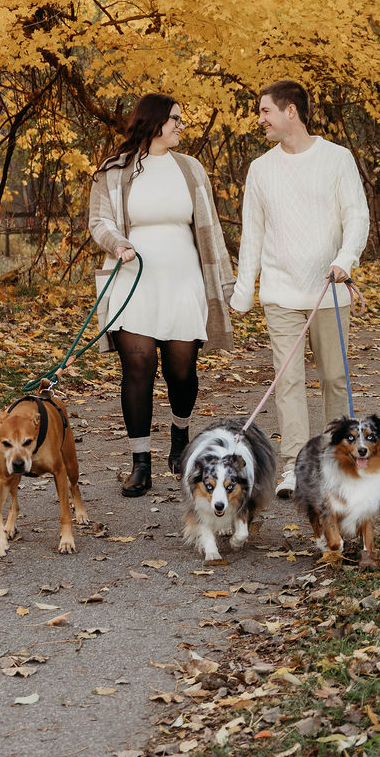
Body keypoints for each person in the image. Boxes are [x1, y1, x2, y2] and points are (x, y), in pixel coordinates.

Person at [89, 94, 235, 497]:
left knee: (181, 369)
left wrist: (224, 281)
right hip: (134, 279)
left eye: (181, 120)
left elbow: (210, 229)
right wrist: (118, 242)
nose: (180, 126)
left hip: (183, 278)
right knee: (137, 364)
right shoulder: (114, 170)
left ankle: (180, 432)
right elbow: (98, 220)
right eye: (175, 119)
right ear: (154, 121)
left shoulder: (190, 169)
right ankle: (140, 463)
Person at [230, 80, 370, 498]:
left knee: (334, 378)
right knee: (287, 380)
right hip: (280, 292)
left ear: (291, 112)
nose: (261, 120)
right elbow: (252, 235)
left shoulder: (337, 159)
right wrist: (244, 291)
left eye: (265, 111)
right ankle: (295, 463)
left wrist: (344, 261)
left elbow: (357, 219)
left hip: (329, 292)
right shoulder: (261, 169)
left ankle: (340, 459)